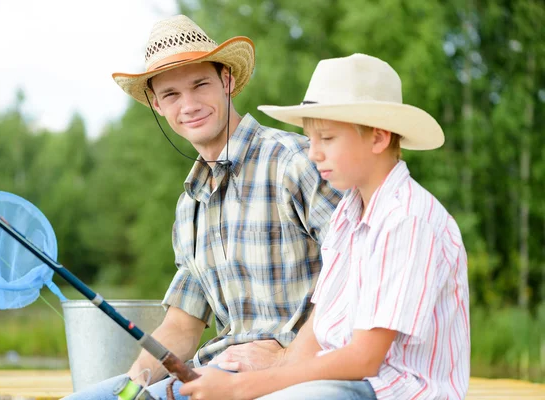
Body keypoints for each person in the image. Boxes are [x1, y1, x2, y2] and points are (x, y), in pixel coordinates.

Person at [63, 15, 342, 400]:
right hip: (217, 376)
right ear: (158, 105)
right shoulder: (189, 206)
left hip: (303, 378)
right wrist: (130, 390)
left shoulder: (293, 161)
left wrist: (285, 361)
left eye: (200, 85)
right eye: (172, 95)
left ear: (226, 80)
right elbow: (183, 325)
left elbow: (355, 272)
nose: (189, 105)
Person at [179, 54, 470, 399]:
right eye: (310, 139)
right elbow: (317, 332)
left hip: (393, 390)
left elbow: (364, 359)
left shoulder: (406, 219)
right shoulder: (348, 215)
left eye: (327, 139)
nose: (313, 153)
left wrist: (240, 388)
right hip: (341, 385)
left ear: (378, 138)